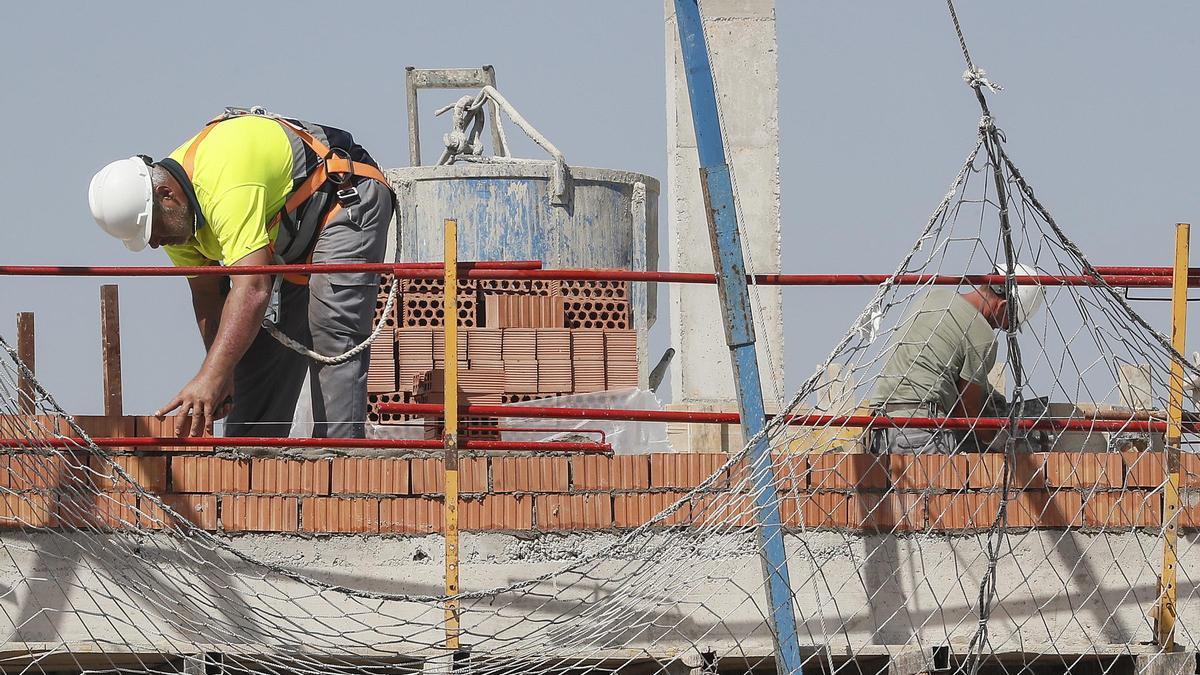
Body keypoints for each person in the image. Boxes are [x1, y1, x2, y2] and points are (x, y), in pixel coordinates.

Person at [87, 108, 394, 439]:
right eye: (147, 238)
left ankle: (341, 468)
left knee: (331, 328)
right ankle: (249, 477)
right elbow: (207, 295)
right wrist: (220, 372)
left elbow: (253, 289)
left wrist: (211, 376)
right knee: (251, 356)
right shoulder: (174, 220)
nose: (155, 243)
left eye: (154, 230)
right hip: (288, 240)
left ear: (167, 196)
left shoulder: (224, 183)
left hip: (344, 196)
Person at [868, 264, 1045, 454]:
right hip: (920, 430)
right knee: (943, 483)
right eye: (1009, 324)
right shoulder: (982, 336)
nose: (1003, 329)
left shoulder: (934, 297)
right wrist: (996, 439)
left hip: (879, 425)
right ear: (1002, 306)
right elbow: (966, 410)